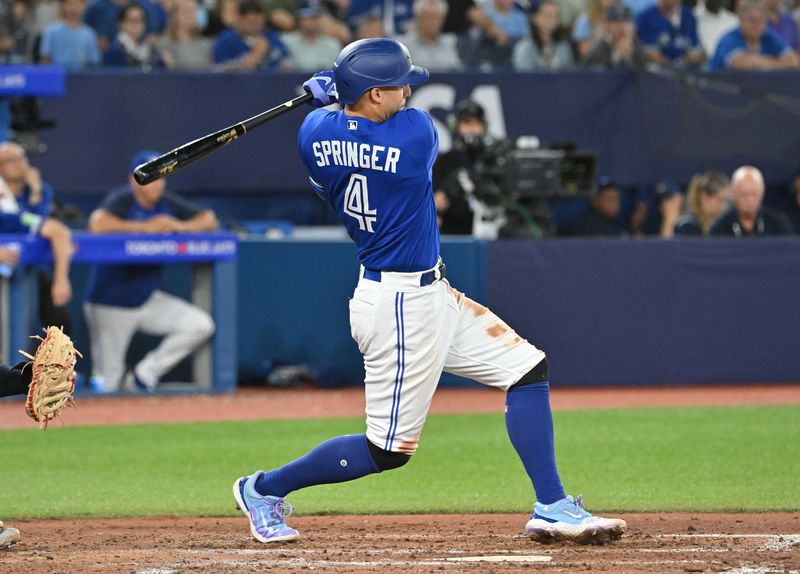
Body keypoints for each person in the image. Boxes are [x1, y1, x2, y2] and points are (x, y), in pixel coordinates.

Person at [232, 38, 627, 545]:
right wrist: (336, 97)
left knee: (526, 368)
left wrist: (330, 99)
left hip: (428, 293)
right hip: (399, 306)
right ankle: (263, 488)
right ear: (374, 95)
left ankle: (551, 504)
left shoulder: (312, 132)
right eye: (398, 85)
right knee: (387, 451)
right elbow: (383, 125)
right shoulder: (414, 136)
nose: (408, 92)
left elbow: (337, 124)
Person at [83, 150, 217, 393]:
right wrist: (144, 227)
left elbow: (209, 219)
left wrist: (179, 225)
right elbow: (97, 223)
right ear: (134, 180)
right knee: (107, 384)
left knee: (199, 325)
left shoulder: (167, 202)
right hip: (110, 302)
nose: (156, 184)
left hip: (146, 298)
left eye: (161, 177)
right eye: (150, 177)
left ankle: (143, 376)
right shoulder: (123, 200)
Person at [0, 142, 72, 332]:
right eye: (10, 160)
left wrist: (35, 193)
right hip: (4, 265)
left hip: (31, 267)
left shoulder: (40, 190)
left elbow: (43, 224)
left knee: (60, 323)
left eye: (21, 158)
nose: (19, 164)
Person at [708, 0, 800, 71]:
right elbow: (741, 64)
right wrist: (777, 63)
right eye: (752, 20)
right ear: (741, 20)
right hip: (716, 88)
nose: (757, 25)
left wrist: (761, 63)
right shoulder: (728, 39)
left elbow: (793, 60)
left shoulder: (768, 37)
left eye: (762, 21)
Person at [709, 165, 793, 236]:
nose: (749, 199)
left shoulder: (778, 225)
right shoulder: (719, 228)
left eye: (754, 194)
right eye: (744, 194)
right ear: (734, 194)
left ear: (762, 193)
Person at [212, 0, 290, 71]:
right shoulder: (225, 40)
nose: (255, 25)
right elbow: (220, 72)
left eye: (258, 21)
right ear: (239, 18)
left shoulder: (272, 37)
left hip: (273, 84)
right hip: (240, 85)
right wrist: (256, 54)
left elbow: (289, 64)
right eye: (251, 22)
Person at [396, 0, 462, 71]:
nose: (431, 22)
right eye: (427, 17)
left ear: (442, 20)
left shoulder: (451, 43)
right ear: (417, 19)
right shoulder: (405, 46)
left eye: (435, 17)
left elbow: (460, 74)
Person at [636, 0, 705, 67]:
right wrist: (672, 64)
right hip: (658, 73)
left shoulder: (689, 16)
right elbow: (649, 55)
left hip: (688, 72)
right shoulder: (645, 18)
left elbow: (697, 52)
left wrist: (693, 56)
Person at [280, 0, 342, 72]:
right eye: (310, 17)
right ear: (299, 19)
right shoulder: (285, 41)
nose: (315, 21)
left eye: (318, 17)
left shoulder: (332, 43)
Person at [512, 0, 575, 71]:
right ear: (534, 18)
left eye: (556, 16)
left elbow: (569, 76)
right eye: (548, 16)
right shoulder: (524, 48)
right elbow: (523, 78)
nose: (553, 20)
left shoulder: (563, 47)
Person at [103, 3, 169, 69]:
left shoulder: (151, 50)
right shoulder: (114, 52)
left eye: (141, 20)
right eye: (132, 20)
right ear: (121, 24)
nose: (137, 24)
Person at [39, 0, 101, 69]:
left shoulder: (89, 34)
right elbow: (45, 59)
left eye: (78, 4)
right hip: (57, 76)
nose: (74, 7)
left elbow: (93, 61)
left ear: (84, 6)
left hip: (82, 77)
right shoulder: (51, 31)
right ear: (63, 6)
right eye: (70, 4)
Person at [582, 4, 646, 69]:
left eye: (625, 22)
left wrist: (628, 57)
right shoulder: (600, 48)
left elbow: (643, 72)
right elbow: (592, 74)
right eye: (616, 22)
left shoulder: (637, 46)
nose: (621, 26)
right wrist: (618, 56)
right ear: (607, 25)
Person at [559, 178, 629, 236]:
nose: (615, 205)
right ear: (595, 200)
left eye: (617, 200)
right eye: (610, 200)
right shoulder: (584, 228)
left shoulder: (617, 225)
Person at [157, 0, 214, 70]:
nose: (190, 15)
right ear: (174, 15)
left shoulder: (205, 44)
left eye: (193, 11)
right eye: (186, 11)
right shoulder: (165, 44)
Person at [674, 170, 731, 236]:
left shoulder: (725, 225)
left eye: (727, 201)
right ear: (704, 197)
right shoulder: (688, 227)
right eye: (720, 200)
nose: (724, 207)